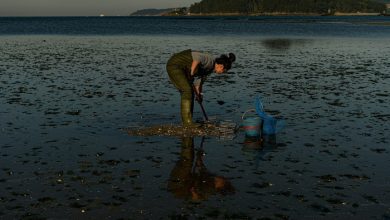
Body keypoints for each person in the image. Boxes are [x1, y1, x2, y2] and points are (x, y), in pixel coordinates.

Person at [166, 49, 236, 127]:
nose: (222, 73)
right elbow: (197, 57)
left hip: (182, 69)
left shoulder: (209, 69)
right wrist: (192, 72)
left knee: (190, 93)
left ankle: (188, 121)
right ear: (221, 66)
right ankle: (187, 123)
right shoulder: (210, 60)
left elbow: (198, 82)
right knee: (187, 91)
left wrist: (199, 95)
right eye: (224, 71)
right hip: (175, 65)